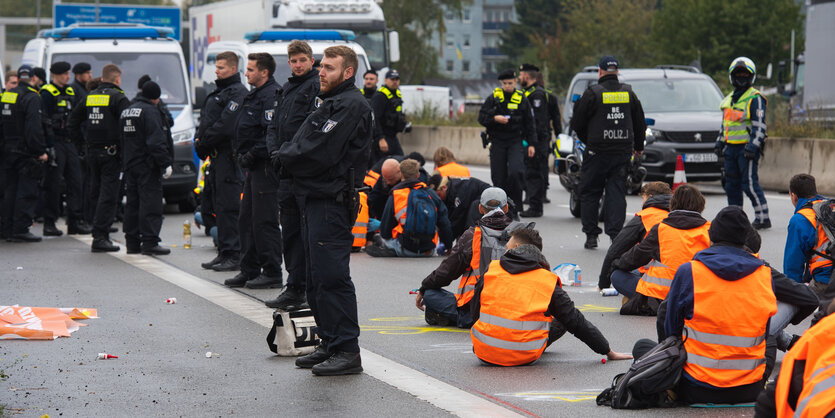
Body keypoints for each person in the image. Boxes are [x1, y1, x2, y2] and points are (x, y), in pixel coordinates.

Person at [278, 45, 372, 375]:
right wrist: (289, 153)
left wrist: (286, 157)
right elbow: (299, 138)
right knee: (316, 279)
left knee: (332, 278)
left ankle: (347, 349)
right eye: (321, 66)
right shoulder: (329, 101)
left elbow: (316, 150)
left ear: (348, 72)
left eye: (329, 68)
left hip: (331, 201)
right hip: (313, 198)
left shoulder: (350, 105)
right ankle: (330, 342)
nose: (321, 72)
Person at [660, 206, 816, 405]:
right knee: (767, 335)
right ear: (745, 241)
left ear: (711, 237)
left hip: (695, 388)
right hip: (750, 390)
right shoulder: (764, 274)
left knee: (643, 348)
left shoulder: (689, 271)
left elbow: (669, 326)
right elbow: (769, 327)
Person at [470, 228, 633, 366]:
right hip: (524, 355)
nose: (505, 250)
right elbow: (575, 321)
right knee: (562, 314)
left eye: (507, 247)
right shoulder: (546, 280)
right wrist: (607, 351)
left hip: (484, 351)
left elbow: (475, 310)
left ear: (516, 247)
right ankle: (526, 343)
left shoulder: (492, 270)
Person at [265, 40, 321, 310]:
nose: (298, 65)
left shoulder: (316, 87)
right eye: (294, 61)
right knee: (289, 235)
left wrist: (288, 154)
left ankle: (309, 289)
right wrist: (275, 152)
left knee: (307, 234)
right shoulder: (286, 89)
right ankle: (294, 287)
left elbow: (310, 129)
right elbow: (273, 126)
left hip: (304, 173)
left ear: (311, 60)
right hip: (285, 173)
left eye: (302, 60)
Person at [415, 187, 521, 328]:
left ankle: (458, 317)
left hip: (476, 308)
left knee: (431, 295)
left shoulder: (473, 235)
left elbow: (447, 271)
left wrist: (424, 288)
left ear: (480, 208)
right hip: (514, 306)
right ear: (506, 208)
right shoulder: (521, 234)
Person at [570, 56, 646, 249]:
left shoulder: (592, 93)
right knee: (616, 194)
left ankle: (591, 236)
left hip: (596, 153)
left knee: (590, 193)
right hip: (621, 153)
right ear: (617, 72)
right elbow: (640, 123)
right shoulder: (629, 93)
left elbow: (577, 123)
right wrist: (638, 147)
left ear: (600, 72)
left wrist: (590, 141)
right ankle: (615, 237)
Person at [224, 53, 283, 290]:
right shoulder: (255, 94)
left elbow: (269, 133)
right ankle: (249, 269)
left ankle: (272, 271)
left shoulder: (271, 95)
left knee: (264, 221)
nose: (246, 73)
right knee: (246, 219)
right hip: (252, 167)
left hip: (265, 167)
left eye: (250, 70)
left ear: (264, 72)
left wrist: (253, 153)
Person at [611, 184, 709, 312]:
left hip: (660, 296)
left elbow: (634, 258)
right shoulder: (709, 230)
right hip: (696, 295)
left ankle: (645, 302)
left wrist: (615, 264)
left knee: (617, 276)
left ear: (672, 204)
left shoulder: (661, 229)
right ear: (700, 205)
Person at [194, 51, 247, 273]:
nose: (217, 71)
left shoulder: (238, 93)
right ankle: (224, 251)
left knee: (230, 207)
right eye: (217, 67)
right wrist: (200, 141)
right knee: (218, 207)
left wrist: (203, 141)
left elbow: (226, 125)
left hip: (229, 158)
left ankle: (234, 253)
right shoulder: (218, 92)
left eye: (222, 67)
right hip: (216, 159)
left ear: (233, 69)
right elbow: (206, 121)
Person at [68, 64, 130, 252]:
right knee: (108, 196)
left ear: (102, 79)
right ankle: (101, 237)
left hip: (92, 152)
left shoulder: (90, 97)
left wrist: (81, 144)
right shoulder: (119, 98)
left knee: (95, 193)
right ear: (117, 79)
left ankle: (97, 230)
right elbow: (128, 127)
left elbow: (73, 121)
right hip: (111, 154)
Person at [714, 57, 770, 230]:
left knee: (749, 184)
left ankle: (763, 217)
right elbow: (725, 125)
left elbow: (759, 125)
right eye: (738, 73)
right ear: (732, 76)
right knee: (731, 184)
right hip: (730, 148)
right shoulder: (728, 99)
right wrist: (719, 143)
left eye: (745, 74)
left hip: (747, 149)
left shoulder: (755, 98)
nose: (741, 76)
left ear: (751, 77)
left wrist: (753, 146)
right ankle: (735, 217)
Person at [756, 300, 835, 417]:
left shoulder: (815, 336)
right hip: (753, 384)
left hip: (732, 384)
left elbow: (768, 403)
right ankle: (788, 341)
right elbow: (808, 297)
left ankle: (788, 341)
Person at [37, 61, 90, 236]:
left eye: (68, 73)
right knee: (53, 183)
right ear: (56, 75)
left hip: (69, 142)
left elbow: (76, 119)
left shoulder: (70, 91)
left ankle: (74, 221)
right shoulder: (47, 93)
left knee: (76, 182)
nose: (68, 77)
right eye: (65, 74)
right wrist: (47, 146)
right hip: (55, 142)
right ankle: (50, 222)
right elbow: (43, 121)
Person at [120, 81, 172, 255]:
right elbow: (156, 142)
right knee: (150, 203)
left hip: (130, 164)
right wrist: (165, 163)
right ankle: (150, 242)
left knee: (132, 204)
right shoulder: (150, 111)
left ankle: (132, 242)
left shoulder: (128, 110)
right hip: (147, 165)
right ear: (155, 98)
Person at [478, 69, 537, 220]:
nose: (507, 86)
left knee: (516, 172)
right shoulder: (493, 98)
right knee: (498, 177)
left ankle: (515, 209)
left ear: (515, 82)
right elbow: (482, 117)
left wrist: (531, 144)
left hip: (515, 141)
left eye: (510, 83)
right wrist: (495, 118)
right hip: (497, 141)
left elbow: (530, 123)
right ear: (501, 83)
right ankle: (498, 210)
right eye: (504, 83)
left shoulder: (521, 98)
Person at [1, 65, 49, 242]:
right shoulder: (31, 97)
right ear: (34, 78)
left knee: (9, 191)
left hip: (8, 149)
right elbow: (33, 128)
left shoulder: (8, 95)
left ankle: (7, 228)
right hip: (25, 151)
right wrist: (39, 151)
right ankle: (20, 228)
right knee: (26, 190)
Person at [369, 159, 453, 257]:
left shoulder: (396, 194)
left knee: (379, 238)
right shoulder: (431, 194)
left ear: (401, 175)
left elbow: (385, 231)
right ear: (418, 175)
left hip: (405, 248)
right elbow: (445, 223)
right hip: (428, 250)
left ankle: (392, 250)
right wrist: (448, 246)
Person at [598, 181, 671, 290]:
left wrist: (603, 284)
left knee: (618, 275)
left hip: (657, 279)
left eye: (643, 198)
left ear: (649, 197)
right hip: (683, 278)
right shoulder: (677, 214)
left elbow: (615, 250)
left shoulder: (645, 216)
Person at [783, 174, 833, 315]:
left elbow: (792, 265)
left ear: (794, 196)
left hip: (825, 281)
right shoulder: (831, 206)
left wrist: (793, 294)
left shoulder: (800, 219)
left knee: (815, 327)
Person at [517, 64, 550, 218]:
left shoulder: (537, 94)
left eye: (521, 74)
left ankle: (535, 207)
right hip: (532, 141)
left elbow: (538, 122)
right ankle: (532, 203)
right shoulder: (527, 93)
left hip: (537, 142)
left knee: (534, 174)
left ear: (527, 76)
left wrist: (533, 142)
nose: (519, 77)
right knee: (529, 173)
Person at [426, 174, 491, 240]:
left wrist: (447, 244)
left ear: (444, 187)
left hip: (488, 201)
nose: (437, 199)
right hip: (473, 200)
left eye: (438, 195)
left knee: (467, 228)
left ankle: (472, 244)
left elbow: (455, 223)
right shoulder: (450, 192)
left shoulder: (459, 192)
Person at [370, 69, 407, 164]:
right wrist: (380, 138)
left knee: (401, 162)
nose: (395, 82)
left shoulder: (397, 95)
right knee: (380, 166)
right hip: (383, 138)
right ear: (386, 80)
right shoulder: (380, 96)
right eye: (392, 79)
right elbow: (375, 119)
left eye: (397, 79)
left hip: (393, 137)